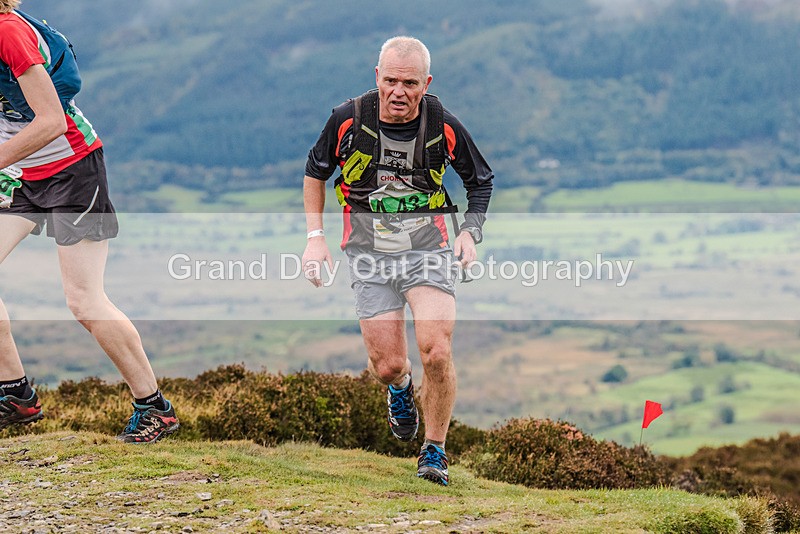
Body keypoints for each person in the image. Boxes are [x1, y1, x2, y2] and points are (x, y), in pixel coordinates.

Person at [302, 36, 493, 485]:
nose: (398, 92)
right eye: (390, 81)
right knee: (387, 365)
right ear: (377, 77)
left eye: (409, 83)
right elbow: (315, 172)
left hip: (429, 249)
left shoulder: (443, 125)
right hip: (367, 254)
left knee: (437, 350)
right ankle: (401, 388)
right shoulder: (347, 119)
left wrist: (470, 232)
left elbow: (480, 181)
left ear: (426, 83)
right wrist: (315, 239)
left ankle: (434, 451)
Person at [0, 0, 178, 442]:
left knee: (83, 300)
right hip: (19, 172)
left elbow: (52, 122)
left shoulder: (8, 33)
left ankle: (154, 408)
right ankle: (16, 395)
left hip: (72, 168)